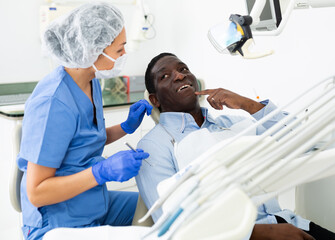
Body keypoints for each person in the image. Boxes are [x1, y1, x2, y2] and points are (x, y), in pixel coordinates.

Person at [135, 52, 335, 239]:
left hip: (289, 222)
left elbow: (305, 143)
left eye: (184, 69)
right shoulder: (154, 146)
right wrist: (262, 233)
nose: (179, 76)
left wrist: (248, 105)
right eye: (165, 76)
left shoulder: (235, 123)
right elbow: (174, 225)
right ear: (154, 99)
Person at [17, 3, 153, 240]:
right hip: (58, 221)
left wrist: (125, 127)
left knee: (157, 208)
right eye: (119, 49)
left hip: (90, 200)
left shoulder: (89, 80)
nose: (124, 55)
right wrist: (102, 172)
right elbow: (37, 192)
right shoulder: (52, 103)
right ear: (93, 49)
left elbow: (84, 140)